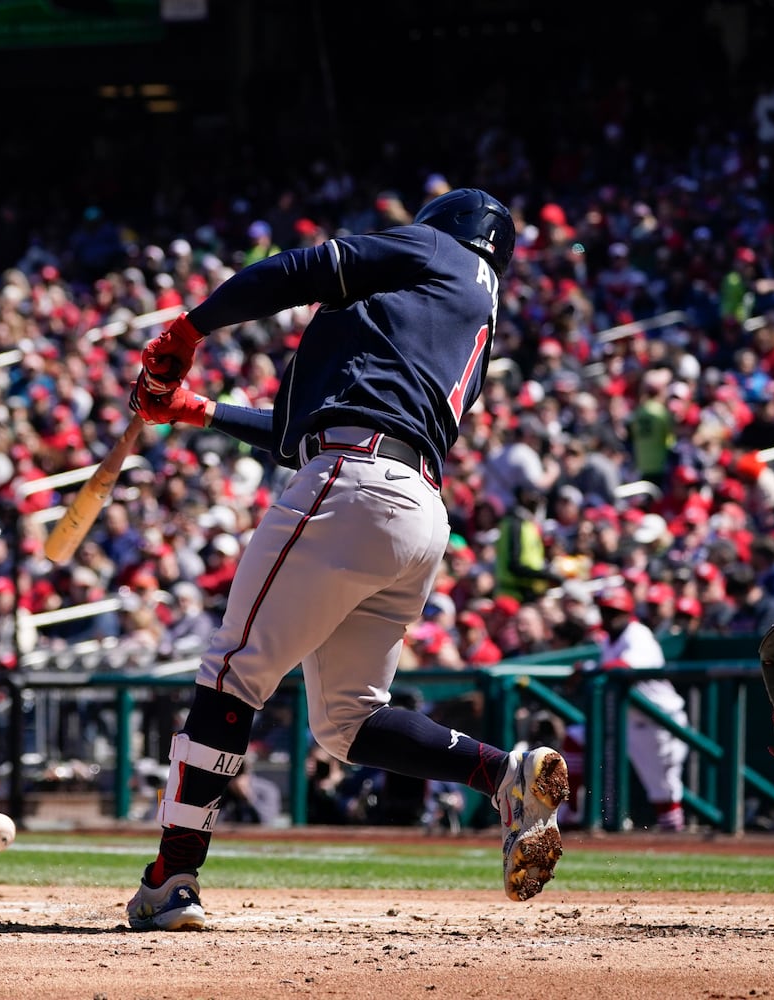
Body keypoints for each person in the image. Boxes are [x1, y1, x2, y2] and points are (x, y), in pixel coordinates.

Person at [122, 187, 568, 932]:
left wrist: (189, 328)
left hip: (352, 481)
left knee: (233, 672)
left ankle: (172, 878)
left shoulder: (436, 250)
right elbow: (296, 429)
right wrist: (198, 410)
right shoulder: (456, 315)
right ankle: (503, 774)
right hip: (415, 509)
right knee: (347, 720)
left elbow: (302, 268)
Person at [592, 587, 689, 832]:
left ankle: (675, 840)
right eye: (605, 611)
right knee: (656, 788)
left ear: (628, 612)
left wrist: (593, 669)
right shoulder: (608, 640)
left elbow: (625, 666)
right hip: (634, 720)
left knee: (665, 787)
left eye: (615, 611)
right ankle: (571, 815)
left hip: (663, 719)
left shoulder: (638, 634)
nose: (609, 617)